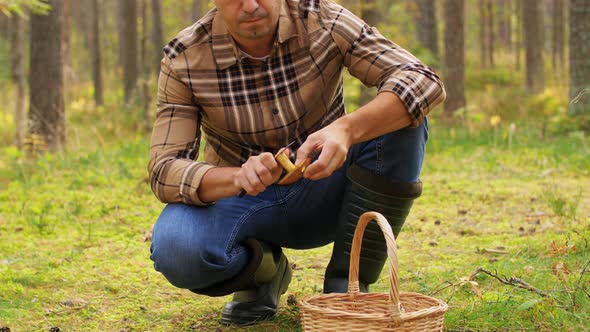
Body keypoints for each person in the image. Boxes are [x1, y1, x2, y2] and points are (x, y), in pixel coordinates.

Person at [148, 0, 445, 326]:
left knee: (405, 118)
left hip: (333, 187)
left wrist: (346, 129)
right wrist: (238, 177)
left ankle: (347, 289)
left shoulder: (323, 20)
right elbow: (164, 169)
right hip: (242, 203)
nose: (250, 5)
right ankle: (263, 275)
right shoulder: (184, 59)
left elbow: (422, 81)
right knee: (177, 248)